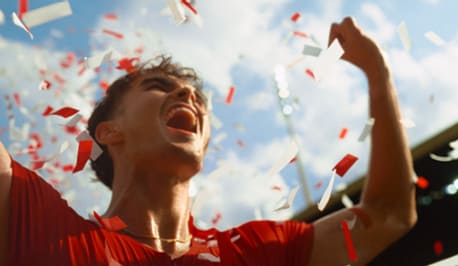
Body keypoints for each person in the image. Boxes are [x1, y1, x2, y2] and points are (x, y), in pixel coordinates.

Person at [0, 17, 416, 265]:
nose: (188, 96)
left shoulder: (255, 252)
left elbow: (389, 215)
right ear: (108, 132)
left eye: (196, 96)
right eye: (159, 87)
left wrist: (378, 76)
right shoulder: (35, 223)